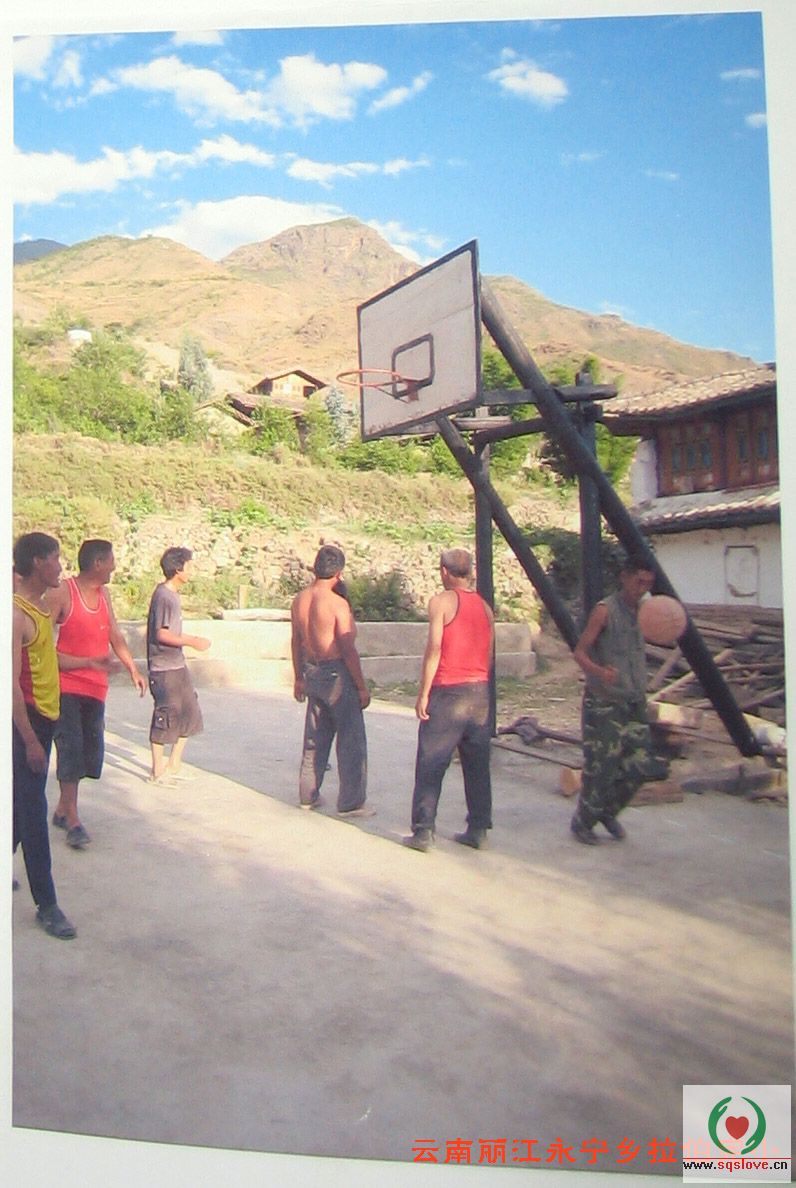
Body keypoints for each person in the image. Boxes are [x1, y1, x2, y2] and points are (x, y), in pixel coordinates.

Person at [47, 539, 147, 848]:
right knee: (71, 751)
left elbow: (114, 633)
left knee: (89, 755)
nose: (115, 566)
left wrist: (132, 668)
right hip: (67, 687)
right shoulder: (63, 592)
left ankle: (62, 809)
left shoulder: (104, 596)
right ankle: (73, 820)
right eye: (111, 560)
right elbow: (42, 646)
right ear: (98, 563)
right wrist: (84, 663)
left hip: (95, 689)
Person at [403, 548, 494, 853]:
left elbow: (435, 649)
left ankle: (423, 831)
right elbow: (489, 654)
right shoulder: (485, 608)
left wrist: (424, 693)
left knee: (432, 760)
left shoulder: (441, 603)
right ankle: (478, 828)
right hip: (479, 692)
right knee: (477, 763)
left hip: (448, 691)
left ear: (444, 571)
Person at [12, 532, 76, 939]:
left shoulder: (39, 610)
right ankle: (47, 905)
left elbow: (48, 659)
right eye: (55, 558)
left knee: (19, 807)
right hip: (27, 726)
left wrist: (92, 661)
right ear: (37, 562)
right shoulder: (15, 615)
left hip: (45, 720)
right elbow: (10, 686)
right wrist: (31, 740)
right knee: (34, 814)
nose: (60, 567)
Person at [569, 554, 657, 845]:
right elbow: (580, 652)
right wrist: (599, 672)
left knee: (641, 764)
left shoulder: (645, 612)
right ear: (625, 577)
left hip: (633, 701)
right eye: (638, 581)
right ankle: (583, 822)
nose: (642, 588)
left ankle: (608, 811)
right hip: (604, 703)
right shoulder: (605, 611)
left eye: (648, 583)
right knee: (601, 767)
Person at [291, 545, 373, 816]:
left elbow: (296, 641)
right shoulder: (337, 604)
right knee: (351, 738)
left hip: (312, 669)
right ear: (338, 573)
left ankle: (308, 794)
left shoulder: (300, 599)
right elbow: (347, 648)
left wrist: (298, 677)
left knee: (315, 736)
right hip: (336, 671)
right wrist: (361, 686)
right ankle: (351, 802)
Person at [146, 547, 210, 782]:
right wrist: (192, 642)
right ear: (177, 569)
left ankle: (174, 763)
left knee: (189, 712)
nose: (191, 570)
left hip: (177, 664)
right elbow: (162, 634)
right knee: (166, 715)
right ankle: (157, 770)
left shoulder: (173, 595)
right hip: (164, 668)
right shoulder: (164, 597)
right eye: (188, 566)